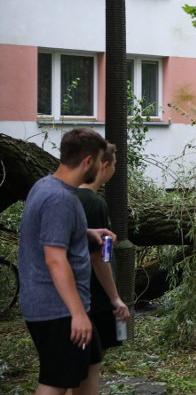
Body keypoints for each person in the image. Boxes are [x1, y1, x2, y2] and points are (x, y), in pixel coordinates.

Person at [19, 127, 114, 395]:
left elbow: (49, 233)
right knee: (55, 382)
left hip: (63, 307)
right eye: (98, 160)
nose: (100, 166)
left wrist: (86, 233)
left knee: (91, 359)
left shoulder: (47, 185)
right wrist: (78, 314)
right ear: (88, 161)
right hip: (57, 309)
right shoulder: (59, 198)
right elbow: (55, 259)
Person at [76, 143, 130, 361]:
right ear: (105, 166)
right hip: (95, 297)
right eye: (115, 164)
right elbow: (101, 256)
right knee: (90, 361)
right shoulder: (95, 203)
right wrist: (115, 297)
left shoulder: (67, 196)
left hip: (74, 294)